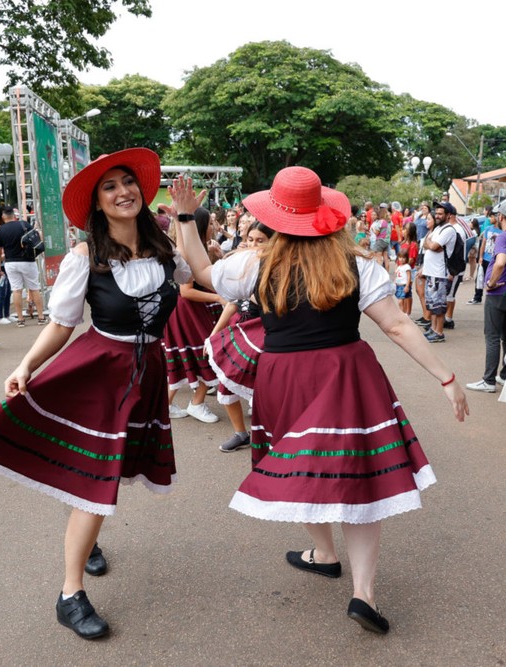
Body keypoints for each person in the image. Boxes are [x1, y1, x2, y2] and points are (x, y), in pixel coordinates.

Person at [173, 165, 468, 635]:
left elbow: (203, 272)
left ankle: (325, 554)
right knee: (360, 477)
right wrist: (445, 377)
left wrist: (185, 220)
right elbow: (396, 325)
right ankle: (363, 594)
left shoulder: (254, 264)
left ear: (273, 218)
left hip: (283, 376)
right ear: (326, 216)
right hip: (346, 372)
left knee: (300, 464)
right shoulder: (359, 264)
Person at [0, 148, 191, 640]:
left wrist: (186, 219)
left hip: (145, 373)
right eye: (110, 187)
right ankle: (69, 594)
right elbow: (62, 324)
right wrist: (24, 365)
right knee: (96, 483)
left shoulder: (165, 246)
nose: (123, 192)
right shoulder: (85, 257)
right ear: (97, 204)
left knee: (101, 471)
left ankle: (84, 544)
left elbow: (200, 279)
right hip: (99, 373)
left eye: (128, 182)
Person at [207, 220, 273, 453]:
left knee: (264, 395)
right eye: (251, 240)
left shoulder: (276, 271)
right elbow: (232, 304)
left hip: (264, 338)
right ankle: (240, 433)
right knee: (226, 385)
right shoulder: (241, 267)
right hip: (240, 331)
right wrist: (212, 336)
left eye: (261, 241)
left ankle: (269, 441)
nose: (254, 245)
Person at [163, 207, 223, 422]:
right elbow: (186, 291)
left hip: (193, 311)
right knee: (210, 355)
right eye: (210, 223)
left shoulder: (202, 248)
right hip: (189, 313)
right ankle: (195, 403)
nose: (214, 227)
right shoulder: (188, 250)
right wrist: (218, 298)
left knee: (192, 357)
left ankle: (171, 405)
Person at [466, 202, 506, 393]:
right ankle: (504, 374)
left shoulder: (504, 237)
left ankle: (488, 380)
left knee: (493, 336)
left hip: (499, 292)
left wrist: (492, 282)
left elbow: (500, 263)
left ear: (501, 216)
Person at [0, 207, 47, 327]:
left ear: (3, 217)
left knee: (16, 290)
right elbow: (37, 238)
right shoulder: (24, 225)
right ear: (14, 216)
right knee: (34, 288)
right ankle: (41, 317)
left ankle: (20, 320)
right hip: (28, 261)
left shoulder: (0, 231)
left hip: (10, 263)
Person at [419, 202, 458, 342]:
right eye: (437, 213)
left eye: (441, 213)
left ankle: (439, 332)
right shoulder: (437, 229)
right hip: (432, 273)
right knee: (432, 304)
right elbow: (426, 243)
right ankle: (434, 329)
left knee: (439, 306)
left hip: (440, 273)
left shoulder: (448, 230)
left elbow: (434, 245)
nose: (437, 216)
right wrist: (431, 245)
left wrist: (432, 245)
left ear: (448, 215)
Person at [393, 248, 413, 315]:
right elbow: (397, 276)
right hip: (398, 285)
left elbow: (409, 276)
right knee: (400, 300)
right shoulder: (399, 267)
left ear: (406, 258)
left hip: (404, 285)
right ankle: (402, 313)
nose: (401, 259)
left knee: (401, 301)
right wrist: (394, 282)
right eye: (400, 257)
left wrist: (407, 286)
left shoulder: (407, 266)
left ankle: (403, 313)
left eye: (403, 257)